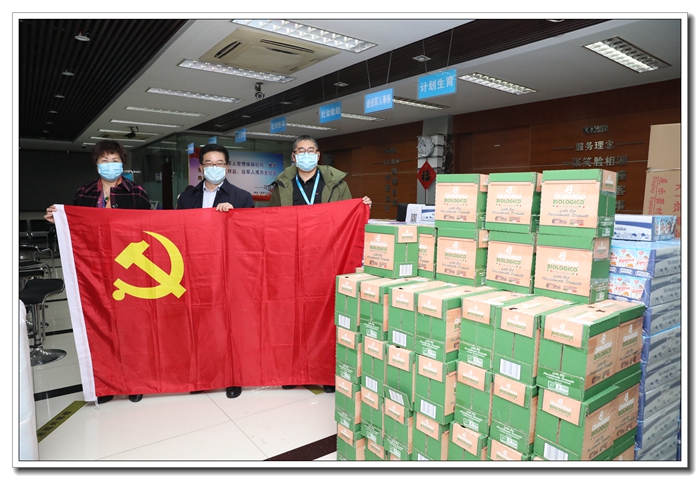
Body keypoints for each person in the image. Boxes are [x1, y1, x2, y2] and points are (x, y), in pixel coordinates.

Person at [44, 139, 151, 405]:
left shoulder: (137, 192)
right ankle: (105, 383)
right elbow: (76, 230)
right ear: (96, 164)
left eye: (115, 160)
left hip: (129, 269)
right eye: (105, 160)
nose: (110, 165)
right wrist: (58, 220)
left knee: (130, 327)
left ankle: (133, 381)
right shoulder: (84, 193)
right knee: (100, 326)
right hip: (94, 270)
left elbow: (149, 228)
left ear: (122, 163)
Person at [269, 135, 371, 393]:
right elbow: (271, 223)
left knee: (325, 315)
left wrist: (360, 207)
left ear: (318, 155)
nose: (306, 154)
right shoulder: (282, 185)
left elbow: (348, 216)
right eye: (300, 151)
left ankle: (325, 372)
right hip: (292, 260)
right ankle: (293, 371)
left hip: (327, 259)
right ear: (294, 157)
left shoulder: (337, 184)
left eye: (311, 150)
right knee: (293, 316)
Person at [176, 143, 254, 399]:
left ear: (227, 166)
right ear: (201, 167)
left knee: (230, 325)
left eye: (219, 163)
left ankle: (233, 377)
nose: (214, 168)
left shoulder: (242, 197)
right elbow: (178, 233)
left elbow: (251, 237)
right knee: (200, 325)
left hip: (229, 273)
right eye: (209, 163)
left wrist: (233, 217)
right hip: (196, 272)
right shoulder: (186, 198)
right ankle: (203, 375)